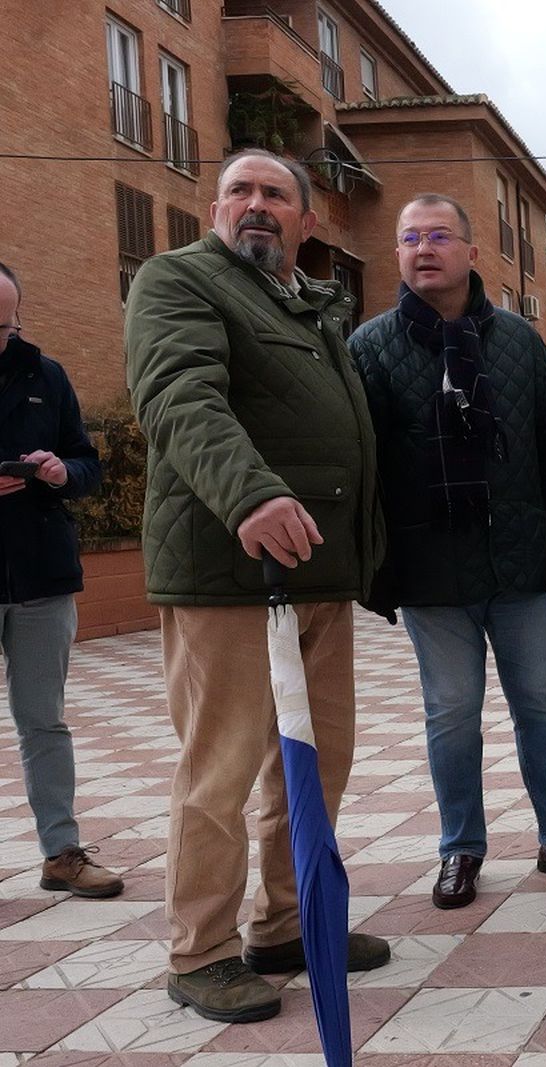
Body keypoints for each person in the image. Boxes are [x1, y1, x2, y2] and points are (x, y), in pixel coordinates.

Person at [125, 148, 390, 1024]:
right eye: (240, 190)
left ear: (306, 221)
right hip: (226, 572)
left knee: (316, 764)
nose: (257, 204)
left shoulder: (308, 305)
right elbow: (180, 397)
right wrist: (252, 492)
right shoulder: (177, 280)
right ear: (214, 208)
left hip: (316, 573)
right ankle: (200, 950)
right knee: (222, 768)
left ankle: (283, 924)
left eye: (276, 194)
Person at [350, 194, 546, 908]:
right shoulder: (369, 347)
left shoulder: (520, 343)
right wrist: (371, 565)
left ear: (471, 252)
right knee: (452, 711)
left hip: (519, 562)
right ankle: (461, 848)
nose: (423, 248)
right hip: (430, 571)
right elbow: (360, 467)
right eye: (409, 238)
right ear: (398, 255)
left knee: (538, 701)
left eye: (439, 235)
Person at [0, 262, 123, 900]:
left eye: (3, 322)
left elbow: (87, 463)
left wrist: (57, 472)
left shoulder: (45, 376)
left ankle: (62, 853)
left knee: (43, 720)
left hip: (41, 572)